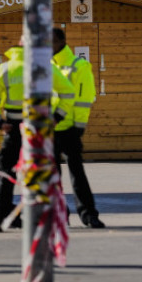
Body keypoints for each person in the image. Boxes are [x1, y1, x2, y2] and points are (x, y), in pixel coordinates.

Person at [0, 36, 74, 233]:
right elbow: (68, 92)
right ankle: (49, 216)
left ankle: (1, 218)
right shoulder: (45, 67)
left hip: (13, 128)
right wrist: (57, 117)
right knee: (44, 172)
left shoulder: (4, 69)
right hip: (40, 129)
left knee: (6, 174)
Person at [51, 27, 104, 228]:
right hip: (51, 128)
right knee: (52, 175)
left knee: (77, 173)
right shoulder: (47, 65)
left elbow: (84, 98)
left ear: (62, 41)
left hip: (70, 128)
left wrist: (79, 126)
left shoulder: (79, 65)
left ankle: (89, 214)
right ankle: (60, 215)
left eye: (52, 42)